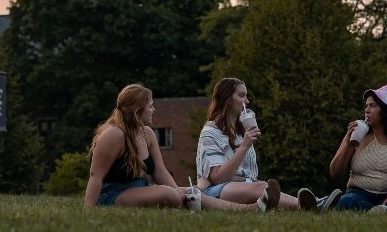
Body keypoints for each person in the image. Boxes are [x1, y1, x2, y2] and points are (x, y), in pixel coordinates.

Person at [84, 83, 281, 211]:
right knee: (169, 194)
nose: (154, 109)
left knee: (192, 192)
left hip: (140, 189)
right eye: (150, 106)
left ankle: (251, 208)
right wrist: (89, 211)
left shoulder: (147, 133)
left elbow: (160, 171)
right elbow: (96, 176)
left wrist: (181, 191)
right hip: (112, 195)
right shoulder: (114, 134)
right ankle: (251, 209)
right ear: (137, 110)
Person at [196, 77, 341, 211]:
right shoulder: (210, 131)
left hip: (239, 187)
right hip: (212, 191)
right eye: (241, 96)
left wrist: (245, 145)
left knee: (261, 186)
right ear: (227, 99)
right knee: (263, 187)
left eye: (246, 95)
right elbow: (218, 178)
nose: (247, 101)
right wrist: (244, 147)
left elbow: (249, 174)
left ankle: (313, 203)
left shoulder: (241, 131)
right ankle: (313, 205)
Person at [330, 85, 387, 213]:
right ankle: (380, 211)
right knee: (346, 201)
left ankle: (378, 210)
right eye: (366, 106)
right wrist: (348, 142)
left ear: (386, 110)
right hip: (358, 193)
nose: (367, 110)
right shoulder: (357, 133)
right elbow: (335, 172)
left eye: (373, 106)